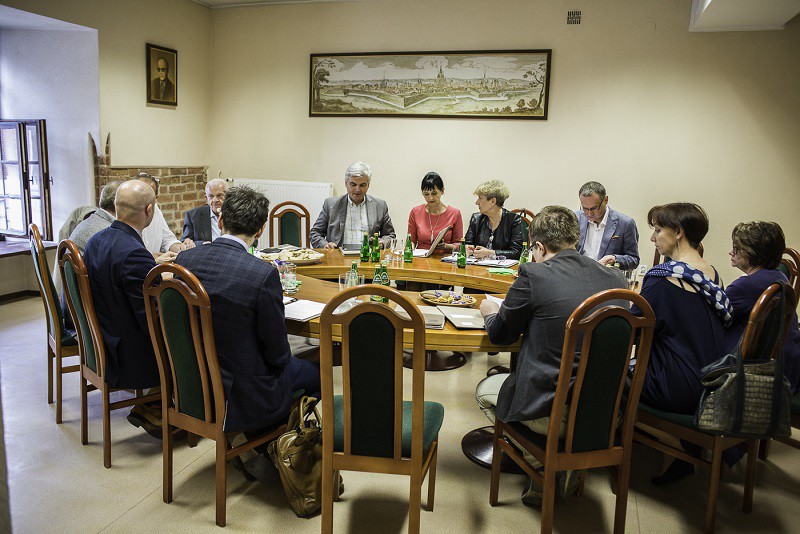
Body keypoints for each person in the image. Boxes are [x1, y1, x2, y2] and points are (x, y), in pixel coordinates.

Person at [475, 206, 627, 507]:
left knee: (483, 391)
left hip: (553, 412)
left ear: (539, 247)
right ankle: (565, 463)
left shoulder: (534, 275)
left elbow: (501, 336)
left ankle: (545, 464)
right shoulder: (617, 279)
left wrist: (490, 313)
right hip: (607, 411)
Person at [175, 186, 320, 435]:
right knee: (316, 371)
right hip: (243, 391)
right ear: (261, 229)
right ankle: (271, 443)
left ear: (221, 220)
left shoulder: (185, 262)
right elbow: (277, 354)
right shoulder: (262, 274)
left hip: (191, 380)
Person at [634, 203, 732, 484]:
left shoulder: (662, 279)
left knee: (609, 375)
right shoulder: (712, 274)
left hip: (676, 388)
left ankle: (617, 451)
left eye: (657, 229)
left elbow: (632, 327)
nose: (652, 237)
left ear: (678, 232)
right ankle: (683, 450)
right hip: (713, 381)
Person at [83, 180, 162, 437]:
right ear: (149, 210)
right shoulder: (135, 254)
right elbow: (152, 321)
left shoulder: (95, 240)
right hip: (129, 358)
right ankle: (162, 409)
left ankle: (152, 405)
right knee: (199, 337)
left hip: (100, 345)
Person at [726, 221, 800, 392]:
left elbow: (712, 317)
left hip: (758, 376)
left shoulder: (746, 286)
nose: (731, 252)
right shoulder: (779, 276)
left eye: (737, 248)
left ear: (752, 253)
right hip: (787, 368)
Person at [310, 161, 396, 249]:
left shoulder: (380, 206)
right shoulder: (331, 205)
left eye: (362, 185)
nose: (357, 189)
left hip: (368, 257)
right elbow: (315, 233)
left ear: (368, 185)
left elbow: (390, 236)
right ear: (346, 183)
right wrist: (325, 245)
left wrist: (382, 242)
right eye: (353, 184)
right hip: (338, 257)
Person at [575, 181, 639, 269]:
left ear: (606, 200)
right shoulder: (575, 219)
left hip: (607, 278)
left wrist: (615, 259)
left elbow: (634, 259)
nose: (589, 213)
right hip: (577, 276)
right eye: (585, 208)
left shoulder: (625, 223)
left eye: (594, 208)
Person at [135, 173, 193, 260]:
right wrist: (151, 259)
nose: (143, 199)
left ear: (155, 198)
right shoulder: (127, 213)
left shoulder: (156, 210)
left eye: (148, 196)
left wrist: (181, 247)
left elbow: (167, 240)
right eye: (139, 194)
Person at [464, 179, 523, 260]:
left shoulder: (513, 220)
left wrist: (491, 253)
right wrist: (467, 248)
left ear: (493, 201)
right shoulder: (476, 219)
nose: (477, 202)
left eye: (480, 198)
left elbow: (517, 252)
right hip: (477, 269)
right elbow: (467, 243)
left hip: (503, 270)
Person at [407, 172, 463, 252]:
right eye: (426, 194)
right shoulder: (415, 212)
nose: (430, 198)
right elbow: (411, 240)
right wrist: (410, 247)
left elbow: (459, 245)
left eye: (434, 193)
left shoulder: (454, 214)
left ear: (442, 191)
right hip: (420, 259)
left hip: (444, 259)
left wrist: (446, 246)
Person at [182, 178, 228, 243]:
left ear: (228, 196)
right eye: (211, 196)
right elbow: (185, 243)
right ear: (206, 198)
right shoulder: (193, 216)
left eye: (219, 195)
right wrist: (202, 244)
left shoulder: (238, 214)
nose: (215, 200)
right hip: (206, 252)